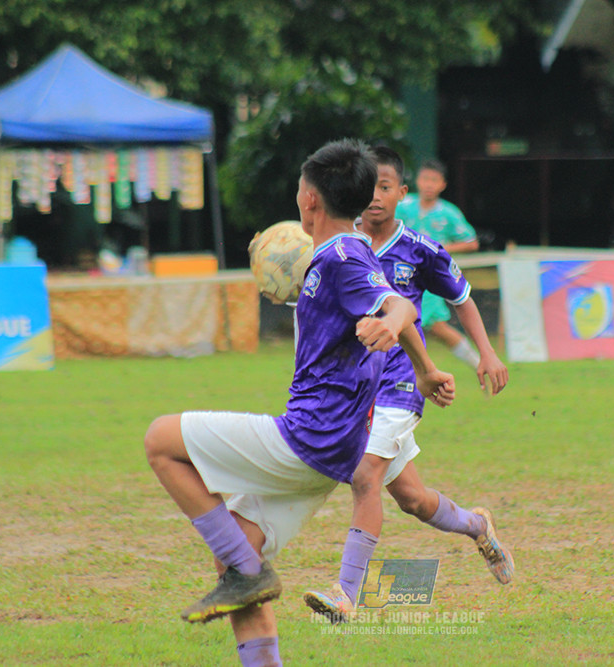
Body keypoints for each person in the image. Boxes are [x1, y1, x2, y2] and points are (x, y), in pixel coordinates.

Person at [144, 138, 456, 667]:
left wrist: (394, 322)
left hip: (307, 439)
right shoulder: (343, 252)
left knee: (159, 441)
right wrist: (424, 371)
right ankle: (246, 575)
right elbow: (386, 303)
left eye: (298, 187)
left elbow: (399, 303)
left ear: (309, 199)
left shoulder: (339, 255)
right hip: (332, 455)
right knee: (233, 561)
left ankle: (249, 572)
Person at [303, 146, 513, 623]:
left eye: (384, 187)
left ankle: (345, 596)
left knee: (364, 476)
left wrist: (487, 352)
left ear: (403, 193)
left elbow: (462, 298)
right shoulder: (343, 246)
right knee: (414, 501)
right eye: (368, 187)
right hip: (354, 386)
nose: (375, 197)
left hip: (401, 381)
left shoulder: (420, 249)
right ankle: (477, 525)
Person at [396, 158, 483, 368]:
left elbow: (471, 242)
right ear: (417, 180)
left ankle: (479, 363)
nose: (428, 184)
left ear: (443, 185)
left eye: (434, 180)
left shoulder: (449, 213)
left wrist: (441, 249)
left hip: (428, 281)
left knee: (433, 327)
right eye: (425, 179)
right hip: (399, 276)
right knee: (404, 326)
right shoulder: (403, 206)